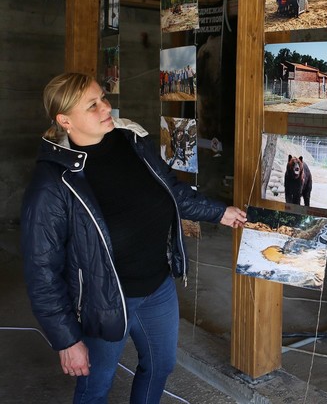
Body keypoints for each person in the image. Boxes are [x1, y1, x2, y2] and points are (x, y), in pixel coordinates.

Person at [20, 72, 247, 404]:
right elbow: (42, 271)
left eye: (103, 98)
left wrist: (219, 212)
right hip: (104, 300)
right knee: (96, 386)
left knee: (160, 366)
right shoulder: (53, 182)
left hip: (157, 285)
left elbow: (171, 190)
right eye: (92, 105)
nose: (106, 107)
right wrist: (66, 340)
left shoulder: (132, 141)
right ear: (65, 120)